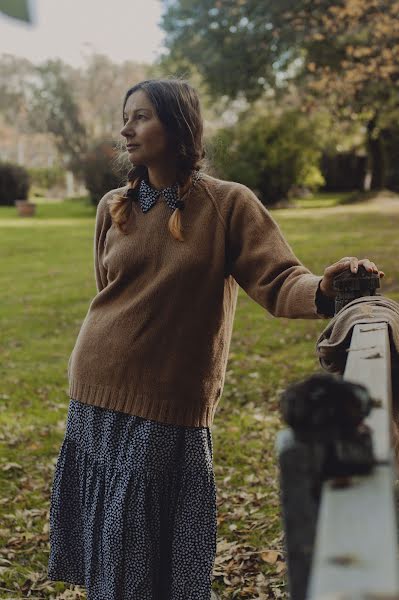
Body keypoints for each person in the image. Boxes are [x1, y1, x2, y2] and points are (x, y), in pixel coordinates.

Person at [47, 78, 384, 600]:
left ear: (177, 126)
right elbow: (109, 294)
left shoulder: (227, 204)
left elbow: (278, 279)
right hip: (95, 385)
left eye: (141, 116)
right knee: (111, 553)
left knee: (153, 555)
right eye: (125, 116)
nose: (126, 128)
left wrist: (323, 288)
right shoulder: (113, 205)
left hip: (171, 401)